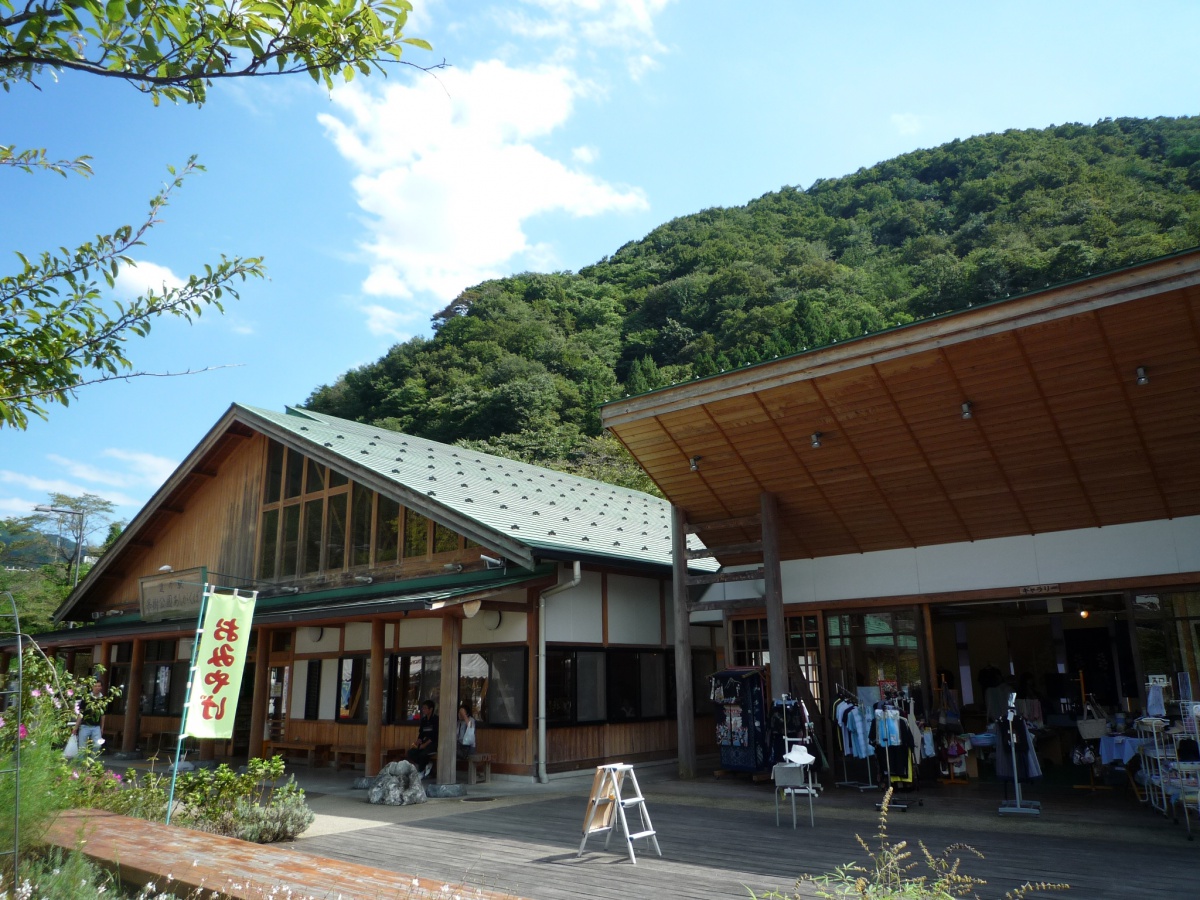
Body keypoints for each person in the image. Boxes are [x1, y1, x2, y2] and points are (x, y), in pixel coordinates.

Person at [74, 679, 109, 757]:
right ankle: (80, 766)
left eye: (99, 686)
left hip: (96, 726)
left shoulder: (103, 699)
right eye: (95, 686)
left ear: (101, 687)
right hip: (85, 725)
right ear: (92, 687)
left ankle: (90, 762)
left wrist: (102, 727)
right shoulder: (86, 698)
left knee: (97, 745)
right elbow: (81, 713)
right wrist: (76, 727)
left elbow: (103, 715)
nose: (97, 687)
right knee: (82, 748)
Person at [406, 699, 438, 776]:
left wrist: (424, 745)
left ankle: (421, 771)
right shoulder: (423, 720)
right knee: (411, 752)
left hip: (433, 743)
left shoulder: (436, 719)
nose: (423, 710)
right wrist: (419, 741)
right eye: (422, 708)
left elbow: (435, 735)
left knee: (423, 754)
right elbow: (421, 733)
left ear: (431, 709)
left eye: (425, 708)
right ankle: (427, 764)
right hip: (424, 741)